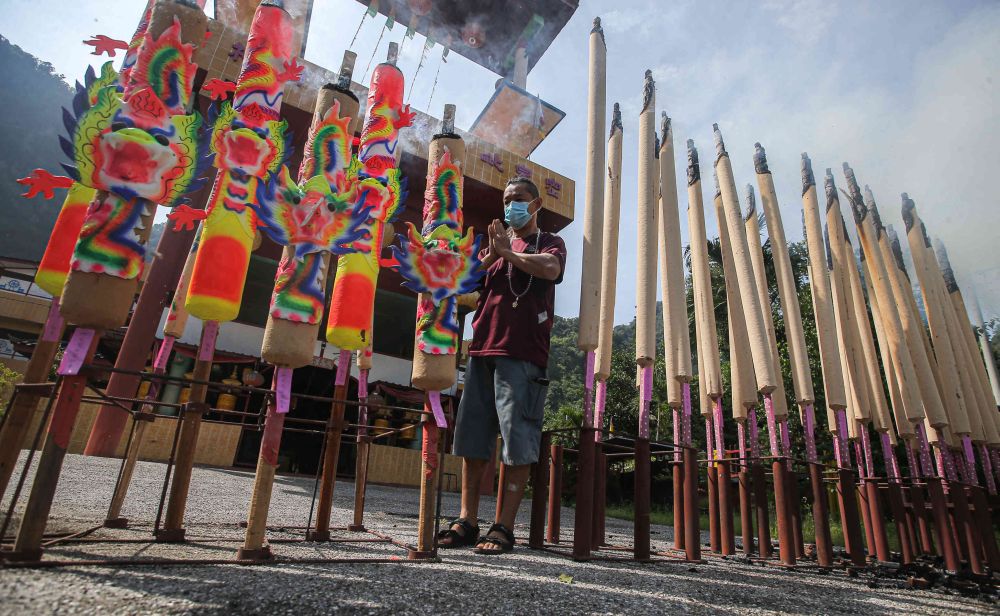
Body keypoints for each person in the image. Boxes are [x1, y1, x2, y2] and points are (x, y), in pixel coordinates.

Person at [437, 176, 566, 555]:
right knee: (473, 440)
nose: (512, 205)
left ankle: (503, 527)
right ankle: (467, 520)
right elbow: (463, 284)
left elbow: (551, 270)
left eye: (520, 199)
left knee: (516, 441)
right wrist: (492, 256)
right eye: (508, 199)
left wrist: (510, 253)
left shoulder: (549, 242)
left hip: (523, 354)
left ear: (536, 204)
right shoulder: (493, 248)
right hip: (480, 352)